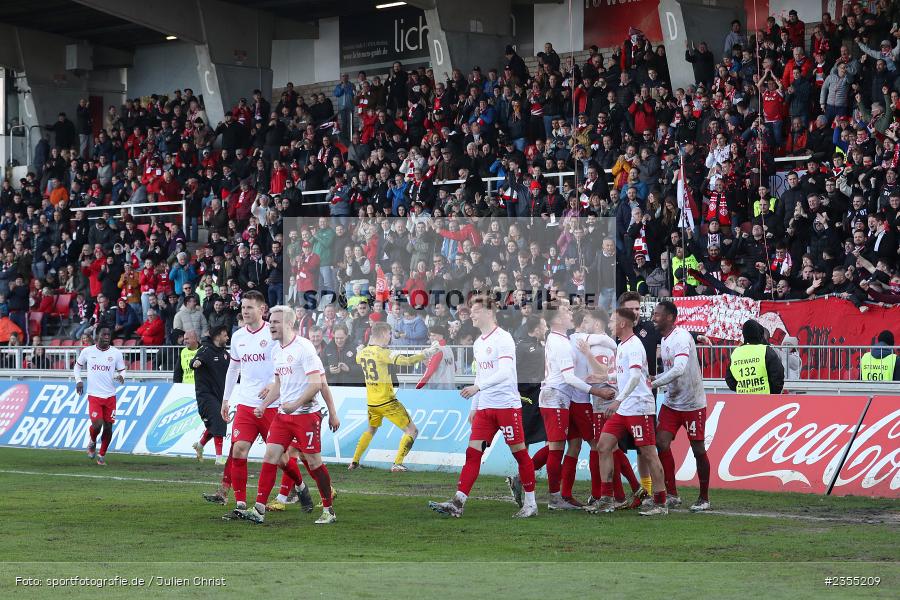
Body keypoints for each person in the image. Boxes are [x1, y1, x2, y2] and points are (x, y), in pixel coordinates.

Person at [429, 295, 538, 519]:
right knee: (473, 453)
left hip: (506, 406)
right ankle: (458, 502)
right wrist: (474, 407)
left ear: (489, 312)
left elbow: (505, 372)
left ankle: (531, 504)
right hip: (485, 408)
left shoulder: (504, 339)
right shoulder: (479, 343)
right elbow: (482, 373)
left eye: (476, 311)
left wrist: (478, 387)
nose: (472, 314)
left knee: (519, 453)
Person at [234, 305, 341, 525]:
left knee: (313, 463)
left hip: (306, 415)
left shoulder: (304, 348)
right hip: (283, 415)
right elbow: (279, 385)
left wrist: (329, 412)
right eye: (270, 321)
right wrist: (264, 405)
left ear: (289, 324)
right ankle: (259, 509)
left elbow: (317, 384)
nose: (271, 325)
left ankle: (329, 510)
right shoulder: (276, 351)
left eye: (275, 322)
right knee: (270, 456)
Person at [203, 291, 305, 511]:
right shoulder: (238, 336)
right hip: (247, 403)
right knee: (239, 449)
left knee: (281, 458)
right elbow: (234, 368)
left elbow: (286, 361)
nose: (245, 311)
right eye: (242, 308)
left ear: (262, 309)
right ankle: (240, 503)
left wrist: (272, 383)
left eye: (249, 307)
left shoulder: (273, 333)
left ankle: (300, 486)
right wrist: (226, 399)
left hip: (273, 405)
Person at [527, 301, 614, 510]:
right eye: (566, 311)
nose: (569, 314)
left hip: (560, 398)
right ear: (556, 319)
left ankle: (558, 494)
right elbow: (569, 378)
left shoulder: (561, 339)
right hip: (558, 397)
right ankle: (555, 497)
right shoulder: (563, 343)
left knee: (565, 446)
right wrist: (597, 391)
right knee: (558, 448)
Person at [587, 308, 668, 516]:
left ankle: (660, 502)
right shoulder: (621, 345)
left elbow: (633, 377)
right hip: (625, 408)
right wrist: (603, 379)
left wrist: (618, 400)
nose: (611, 324)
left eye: (613, 320)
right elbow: (623, 376)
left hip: (638, 407)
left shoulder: (633, 346)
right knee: (603, 445)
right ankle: (606, 498)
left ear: (622, 324)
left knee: (649, 453)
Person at [349, 322, 439, 472]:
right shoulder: (382, 353)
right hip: (387, 401)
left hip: (372, 403)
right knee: (412, 431)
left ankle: (354, 462)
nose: (390, 337)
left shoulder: (364, 352)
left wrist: (359, 350)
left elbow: (358, 357)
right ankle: (397, 463)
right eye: (389, 334)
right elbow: (407, 361)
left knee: (371, 430)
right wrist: (429, 352)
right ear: (384, 333)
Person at [650, 301, 711, 512]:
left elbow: (679, 369)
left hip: (692, 403)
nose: (653, 318)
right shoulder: (666, 337)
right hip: (672, 401)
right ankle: (672, 494)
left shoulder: (681, 339)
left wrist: (654, 382)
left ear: (669, 317)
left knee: (698, 449)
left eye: (657, 314)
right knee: (660, 442)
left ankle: (704, 498)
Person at [73, 326, 126, 466]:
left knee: (108, 427)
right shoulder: (88, 351)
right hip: (94, 395)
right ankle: (92, 441)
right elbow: (77, 367)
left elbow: (122, 369)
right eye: (104, 334)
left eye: (109, 334)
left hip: (110, 396)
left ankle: (102, 456)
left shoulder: (115, 353)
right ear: (97, 337)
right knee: (97, 424)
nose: (107, 336)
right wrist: (78, 381)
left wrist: (121, 376)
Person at [189, 326, 231, 465]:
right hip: (205, 395)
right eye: (225, 335)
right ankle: (219, 458)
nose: (227, 338)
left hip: (219, 394)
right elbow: (195, 361)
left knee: (215, 424)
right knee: (219, 420)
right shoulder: (205, 350)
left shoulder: (225, 354)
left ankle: (200, 445)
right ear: (217, 337)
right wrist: (195, 362)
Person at [725, 319, 785, 394]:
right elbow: (778, 375)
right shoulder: (765, 350)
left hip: (743, 400)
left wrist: (744, 389)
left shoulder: (736, 352)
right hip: (765, 400)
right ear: (759, 333)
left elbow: (729, 379)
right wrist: (772, 393)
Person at [415, 325, 456, 389]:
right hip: (450, 385)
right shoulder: (449, 349)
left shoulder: (437, 350)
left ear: (441, 335)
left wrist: (419, 385)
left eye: (434, 335)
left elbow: (430, 370)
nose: (431, 337)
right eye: (430, 335)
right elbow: (454, 368)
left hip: (438, 387)